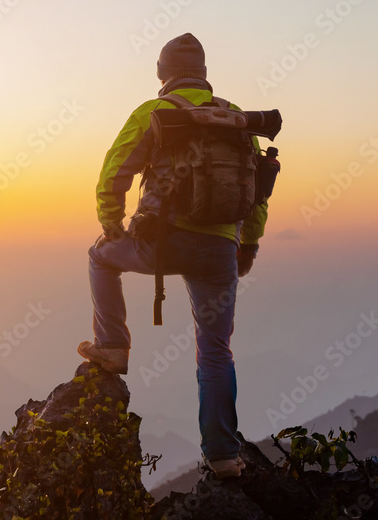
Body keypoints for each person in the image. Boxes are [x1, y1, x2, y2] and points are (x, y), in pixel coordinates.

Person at [77, 33, 268, 479]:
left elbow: (113, 173)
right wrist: (249, 245)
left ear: (163, 74)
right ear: (203, 73)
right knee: (216, 351)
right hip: (221, 248)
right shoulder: (235, 118)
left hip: (163, 243)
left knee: (99, 257)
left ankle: (113, 347)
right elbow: (257, 194)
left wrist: (111, 226)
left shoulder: (153, 112)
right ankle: (222, 456)